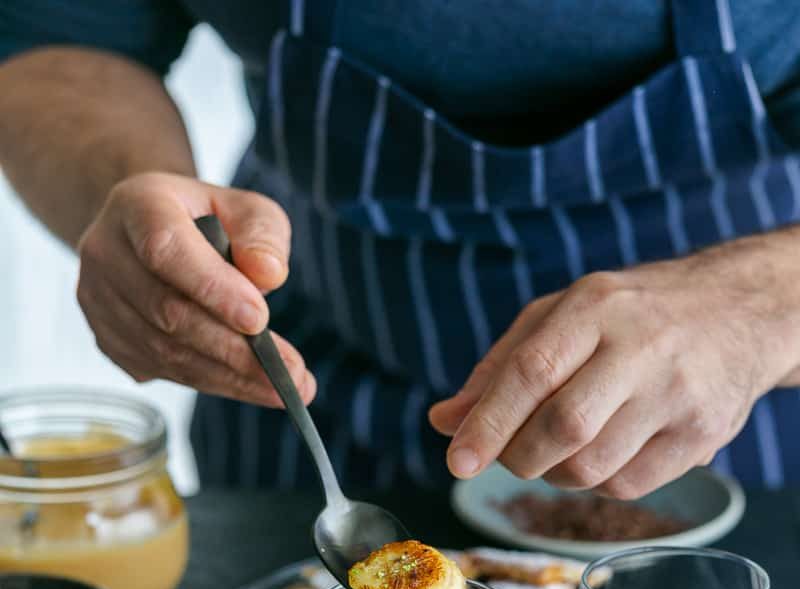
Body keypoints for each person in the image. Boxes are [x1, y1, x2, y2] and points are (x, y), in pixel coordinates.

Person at [2, 1, 800, 495]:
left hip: (747, 427)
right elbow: (63, 42)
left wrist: (759, 305)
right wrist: (140, 201)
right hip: (318, 401)